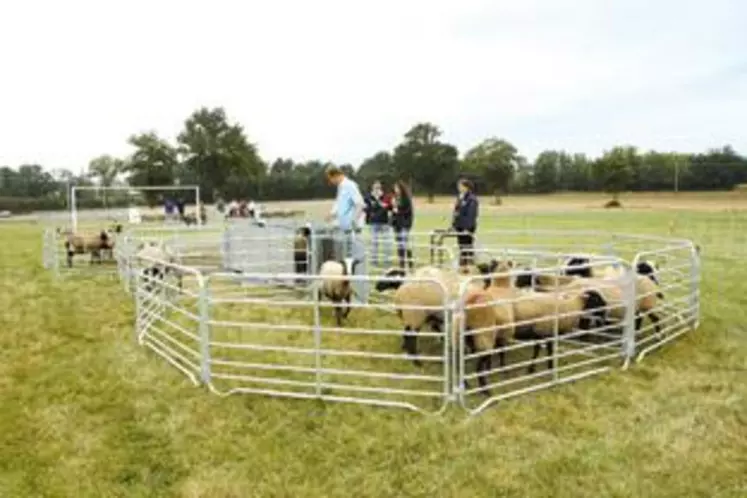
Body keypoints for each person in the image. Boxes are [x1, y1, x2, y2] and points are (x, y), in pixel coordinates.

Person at [325, 165, 367, 301]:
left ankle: (359, 297)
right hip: (344, 231)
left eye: (330, 179)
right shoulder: (341, 187)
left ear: (335, 175)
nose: (330, 183)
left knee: (354, 264)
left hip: (352, 232)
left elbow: (360, 204)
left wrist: (354, 222)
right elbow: (340, 204)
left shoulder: (350, 185)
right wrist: (332, 215)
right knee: (344, 265)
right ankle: (345, 294)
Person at [364, 180, 392, 267]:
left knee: (386, 243)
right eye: (375, 187)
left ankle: (386, 262)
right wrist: (376, 204)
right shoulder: (368, 197)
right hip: (373, 223)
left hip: (384, 223)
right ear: (372, 188)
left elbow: (390, 207)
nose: (377, 189)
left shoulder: (386, 196)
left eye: (379, 187)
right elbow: (365, 209)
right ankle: (374, 262)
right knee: (374, 243)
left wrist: (380, 202)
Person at [451, 178, 479, 266]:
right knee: (461, 246)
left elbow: (471, 214)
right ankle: (463, 265)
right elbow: (456, 212)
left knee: (468, 246)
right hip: (459, 227)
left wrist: (467, 228)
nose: (459, 188)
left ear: (466, 187)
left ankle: (470, 264)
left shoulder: (472, 199)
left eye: (460, 186)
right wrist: (454, 224)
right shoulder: (460, 197)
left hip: (467, 228)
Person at [391, 180, 414, 270]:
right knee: (399, 246)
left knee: (405, 244)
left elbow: (408, 212)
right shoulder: (396, 198)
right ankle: (402, 265)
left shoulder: (406, 199)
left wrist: (397, 210)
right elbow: (394, 211)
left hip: (404, 225)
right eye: (395, 188)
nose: (395, 190)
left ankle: (410, 263)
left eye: (397, 188)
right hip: (397, 225)